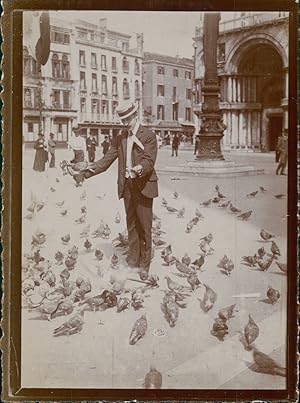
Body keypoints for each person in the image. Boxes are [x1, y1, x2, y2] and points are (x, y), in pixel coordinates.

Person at [73, 100, 158, 280]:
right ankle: (133, 262)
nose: (126, 124)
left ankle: (144, 265)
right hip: (127, 186)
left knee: (145, 226)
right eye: (123, 121)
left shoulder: (148, 135)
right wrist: (84, 175)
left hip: (143, 185)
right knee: (132, 225)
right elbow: (105, 162)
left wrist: (139, 169)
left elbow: (149, 161)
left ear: (136, 116)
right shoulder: (119, 138)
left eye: (128, 119)